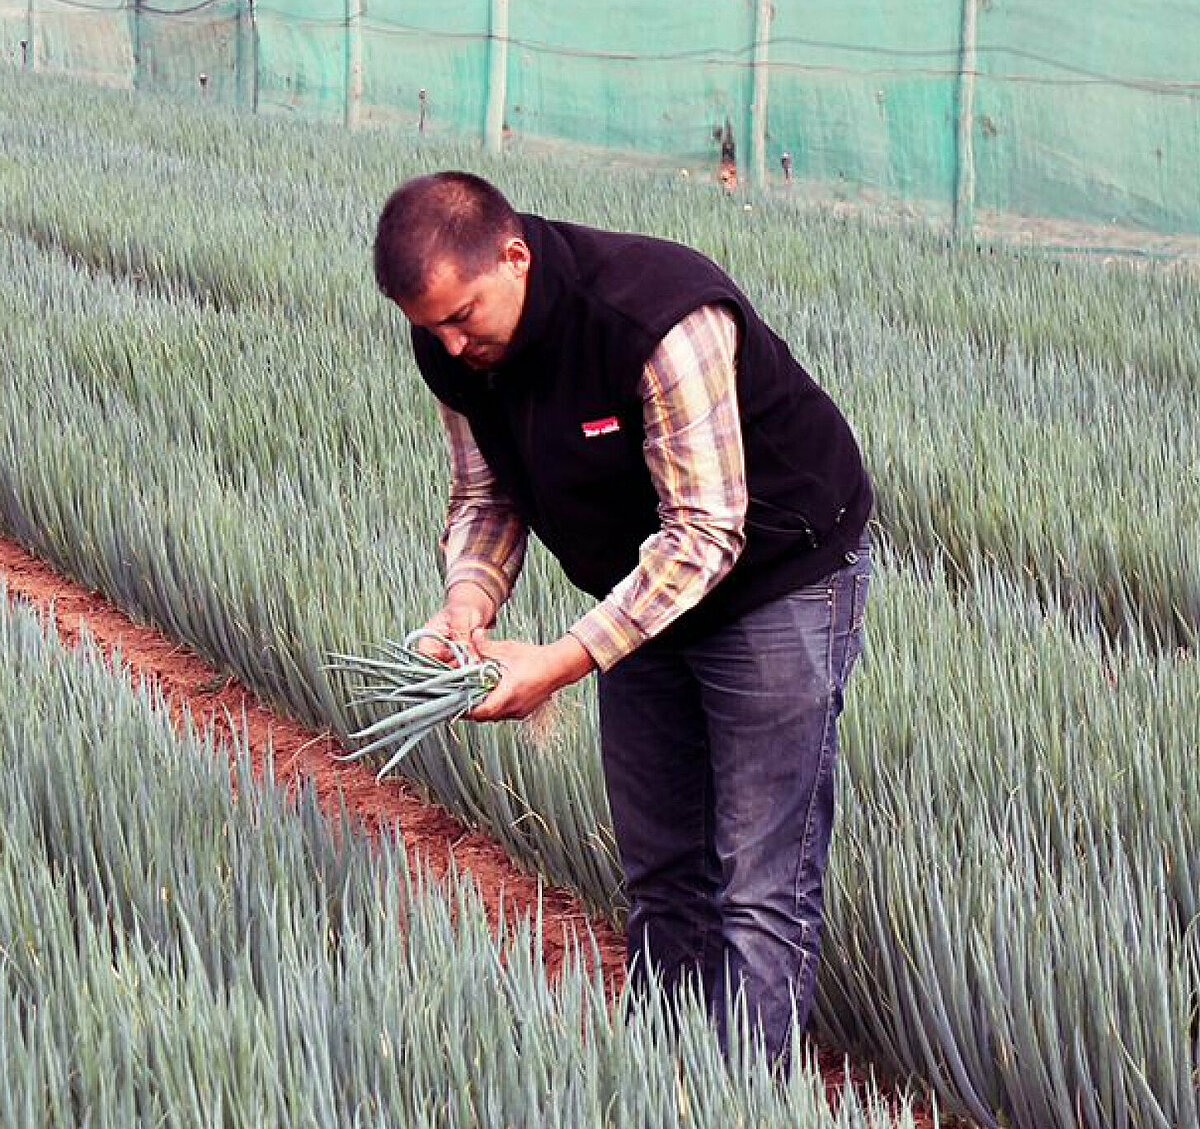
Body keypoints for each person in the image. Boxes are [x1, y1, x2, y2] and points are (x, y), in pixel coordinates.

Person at [373, 170, 873, 1068]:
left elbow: (706, 531)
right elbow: (487, 491)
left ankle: (743, 1098)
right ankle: (662, 1081)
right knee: (661, 870)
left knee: (758, 882)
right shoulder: (451, 349)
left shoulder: (658, 320)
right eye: (428, 327)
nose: (448, 345)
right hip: (641, 581)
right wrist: (466, 604)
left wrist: (564, 660)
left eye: (461, 316)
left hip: (774, 572)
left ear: (514, 256)